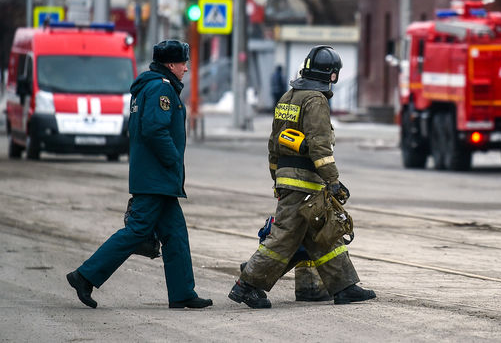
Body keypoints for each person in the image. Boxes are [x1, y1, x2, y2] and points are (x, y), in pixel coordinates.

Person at [66, 40, 212, 310]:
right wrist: (172, 161)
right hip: (156, 178)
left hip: (158, 179)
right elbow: (154, 129)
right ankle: (84, 276)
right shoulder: (160, 88)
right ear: (171, 64)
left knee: (175, 234)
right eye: (183, 63)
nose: (186, 69)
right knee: (136, 231)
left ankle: (182, 292)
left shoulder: (151, 86)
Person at [229, 45, 376, 308]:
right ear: (332, 75)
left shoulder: (288, 97)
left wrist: (277, 179)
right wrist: (333, 181)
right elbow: (320, 146)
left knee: (324, 234)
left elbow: (273, 144)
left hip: (289, 179)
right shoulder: (315, 100)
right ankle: (246, 285)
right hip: (305, 182)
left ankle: (345, 287)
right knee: (283, 237)